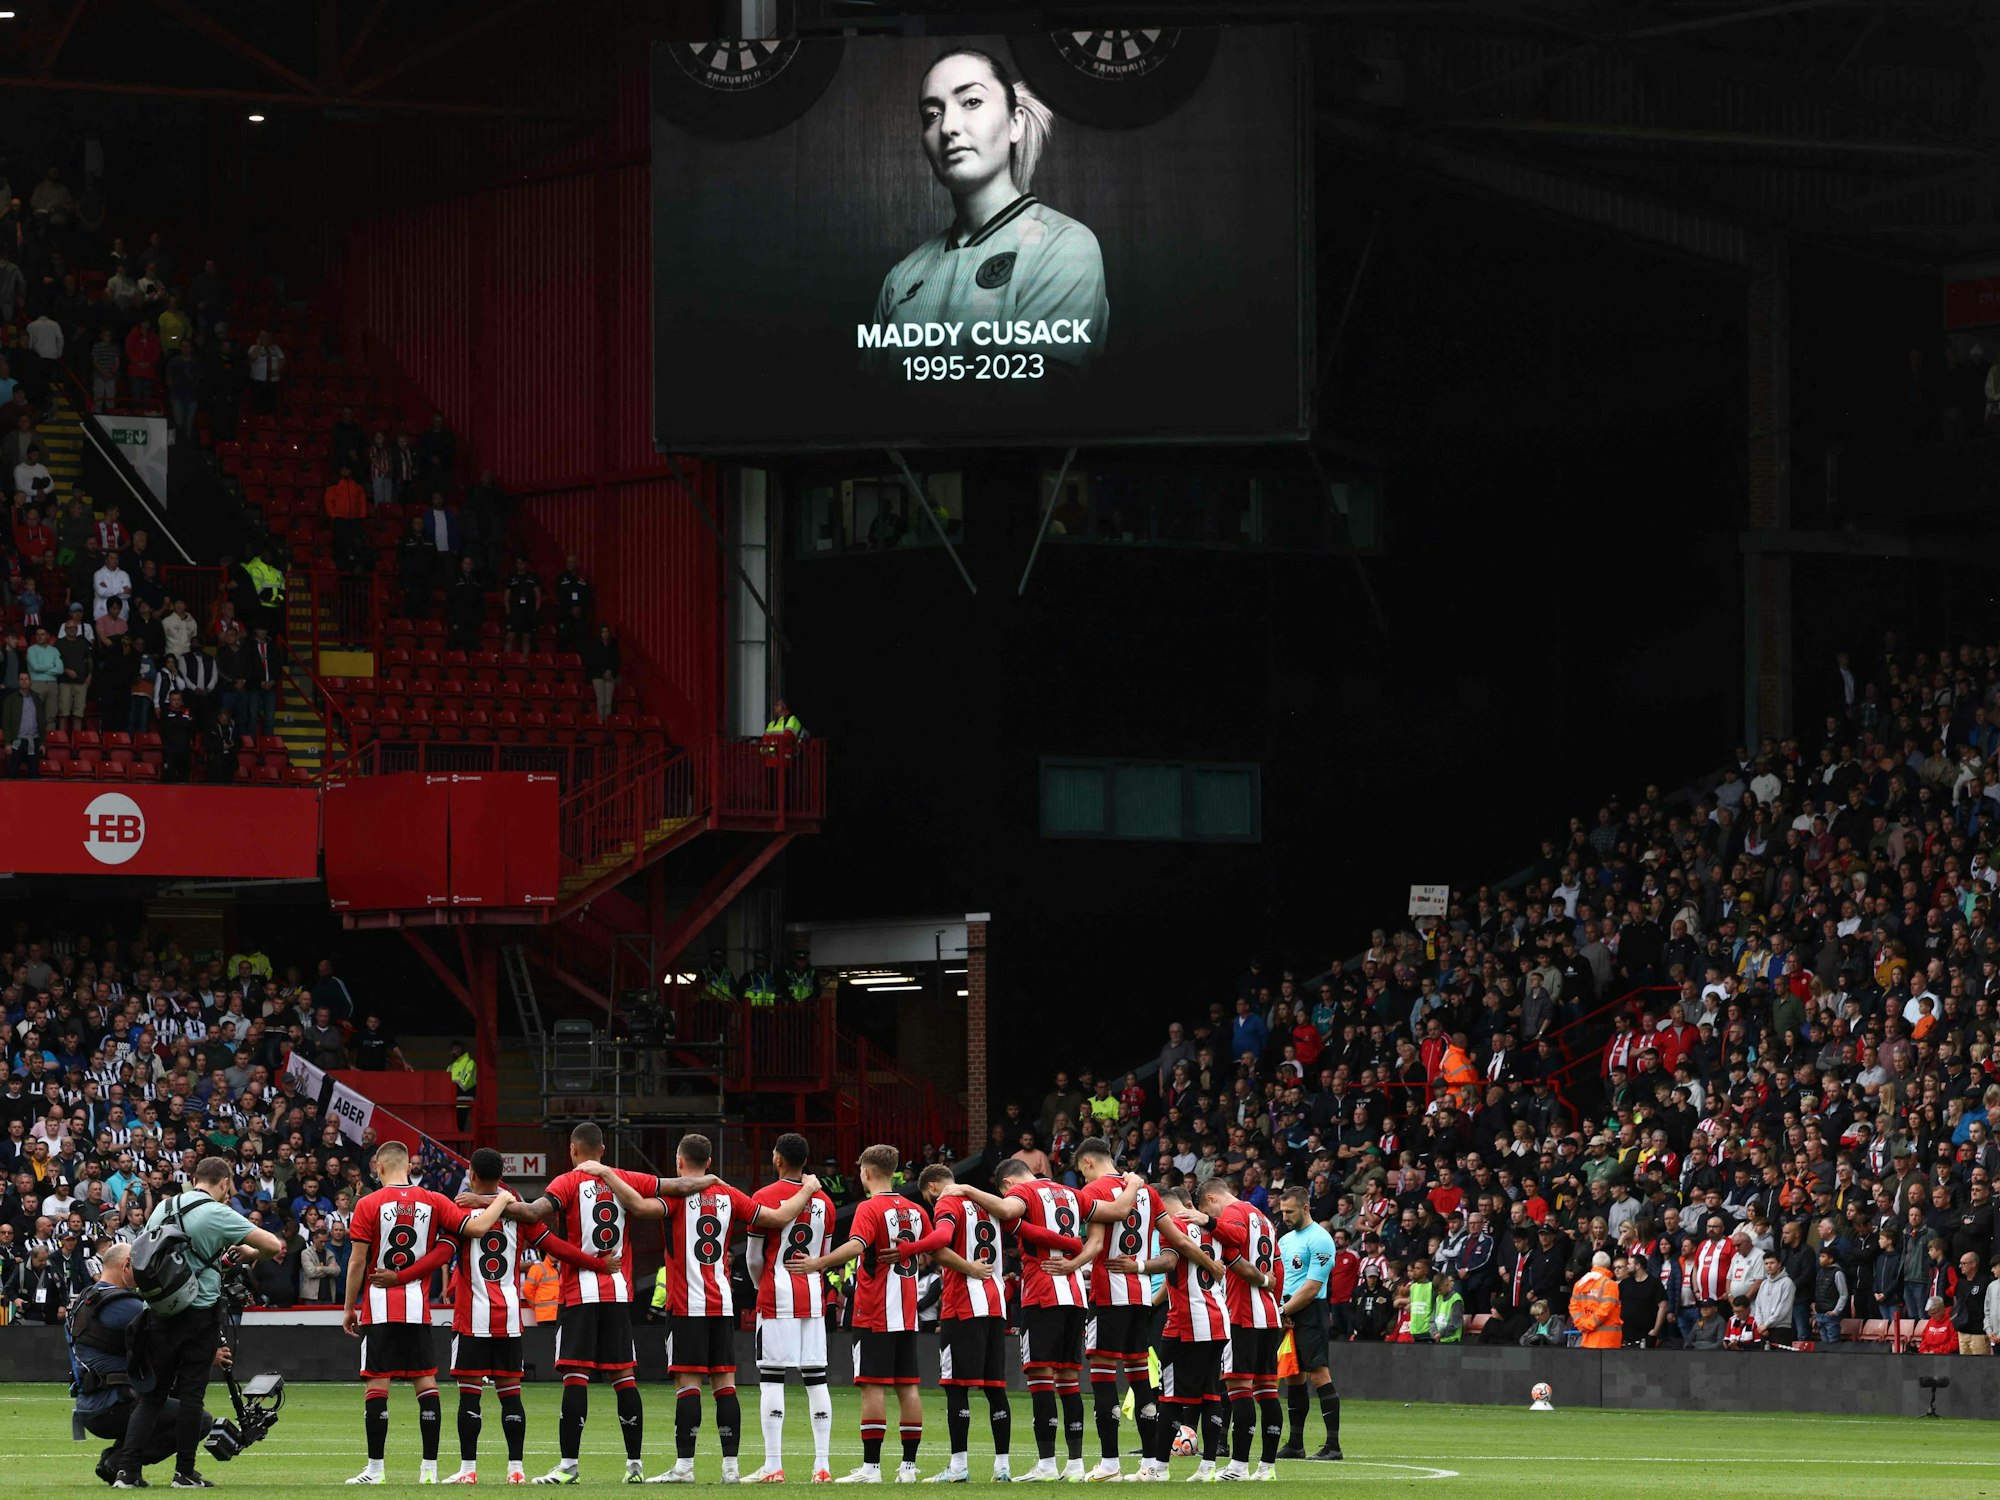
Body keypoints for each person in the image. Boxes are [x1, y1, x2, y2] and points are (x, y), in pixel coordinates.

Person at [573, 1132, 819, 1484]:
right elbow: (779, 1218)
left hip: (687, 1304)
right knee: (725, 1385)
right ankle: (731, 1469)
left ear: (678, 1162)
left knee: (688, 1385)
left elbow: (640, 1207)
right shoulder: (729, 1195)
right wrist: (807, 1190)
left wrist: (607, 1174)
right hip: (722, 1304)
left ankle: (685, 1467)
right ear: (710, 1163)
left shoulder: (675, 1196)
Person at [488, 1121, 716, 1485]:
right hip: (618, 1293)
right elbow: (680, 1186)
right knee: (624, 1377)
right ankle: (635, 1466)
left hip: (579, 1294)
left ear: (574, 1151)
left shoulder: (566, 1182)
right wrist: (712, 1181)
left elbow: (531, 1213)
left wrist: (489, 1201)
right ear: (603, 1151)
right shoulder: (626, 1178)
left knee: (576, 1376)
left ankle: (568, 1466)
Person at [867, 49, 1107, 377]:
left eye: (972, 101)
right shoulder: (901, 278)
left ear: (1015, 123)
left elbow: (1031, 410)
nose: (948, 127)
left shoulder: (1065, 247)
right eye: (932, 114)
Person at [377, 1147, 610, 1485]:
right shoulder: (520, 1213)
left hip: (472, 1318)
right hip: (510, 1317)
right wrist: (599, 1264)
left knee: (470, 1393)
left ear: (471, 1174)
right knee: (511, 1394)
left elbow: (441, 1253)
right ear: (501, 1176)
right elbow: (556, 1247)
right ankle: (516, 1469)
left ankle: (469, 1470)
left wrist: (399, 1276)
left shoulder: (461, 1212)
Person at [340, 1141, 516, 1486]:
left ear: (379, 1168)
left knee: (378, 1384)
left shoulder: (368, 1204)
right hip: (418, 1309)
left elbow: (358, 1260)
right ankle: (429, 1470)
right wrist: (503, 1199)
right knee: (425, 1382)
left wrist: (348, 1307)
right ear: (408, 1166)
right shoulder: (434, 1200)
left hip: (379, 1307)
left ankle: (375, 1471)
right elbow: (475, 1230)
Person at [111, 1156, 285, 1490]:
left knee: (151, 1397)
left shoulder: (164, 1207)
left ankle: (127, 1472)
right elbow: (272, 1245)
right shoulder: (217, 1212)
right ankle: (184, 1474)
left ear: (193, 1178)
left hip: (159, 1312)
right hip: (198, 1314)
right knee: (192, 1396)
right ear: (224, 1183)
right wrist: (247, 1255)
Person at [898, 1160, 1077, 1484]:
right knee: (996, 1388)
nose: (931, 1202)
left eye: (928, 1197)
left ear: (934, 1186)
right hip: (996, 1306)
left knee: (956, 1387)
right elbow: (1032, 1231)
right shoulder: (992, 1206)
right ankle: (1002, 1467)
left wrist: (912, 1249)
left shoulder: (948, 1202)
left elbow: (940, 1239)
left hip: (962, 1305)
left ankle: (958, 1467)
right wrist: (1072, 1245)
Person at [1072, 1137, 1221, 1480]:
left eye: (1082, 1170)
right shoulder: (1149, 1194)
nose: (1083, 1177)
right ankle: (1152, 1462)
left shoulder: (1095, 1191)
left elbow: (1096, 1243)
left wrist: (1071, 1266)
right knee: (1141, 1379)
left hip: (1109, 1293)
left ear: (1089, 1162)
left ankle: (1109, 1462)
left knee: (1103, 1376)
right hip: (1140, 1296)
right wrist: (1210, 1265)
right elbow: (1180, 1241)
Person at [784, 1144, 928, 1485]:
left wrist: (817, 1263)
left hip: (874, 1310)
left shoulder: (869, 1207)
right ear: (893, 1171)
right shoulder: (916, 1210)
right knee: (908, 1388)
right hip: (907, 1312)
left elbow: (856, 1246)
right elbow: (931, 1250)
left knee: (873, 1388)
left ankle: (871, 1469)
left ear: (865, 1172)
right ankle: (908, 1469)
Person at [68, 1241, 231, 1485]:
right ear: (127, 1264)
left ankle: (120, 1463)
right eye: (142, 1265)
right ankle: (119, 1463)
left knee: (161, 1396)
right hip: (114, 1402)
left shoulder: (87, 1299)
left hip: (91, 1403)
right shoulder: (125, 1306)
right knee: (198, 1419)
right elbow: (171, 1340)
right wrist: (207, 1354)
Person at [742, 1133, 837, 1484]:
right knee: (816, 1378)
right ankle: (822, 1466)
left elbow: (754, 1256)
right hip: (812, 1296)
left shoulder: (763, 1198)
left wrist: (761, 1285)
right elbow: (822, 1258)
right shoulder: (824, 1202)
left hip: (776, 1295)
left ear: (778, 1159)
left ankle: (773, 1465)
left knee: (771, 1378)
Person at [1193, 1174, 1286, 1482]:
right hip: (1269, 1314)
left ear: (1211, 1199)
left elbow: (1230, 1236)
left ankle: (1238, 1466)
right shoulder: (1264, 1219)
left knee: (1238, 1389)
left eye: (1209, 1212)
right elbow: (1278, 1267)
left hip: (1242, 1313)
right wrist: (1275, 1300)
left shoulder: (1232, 1213)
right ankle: (1267, 1467)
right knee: (1267, 1391)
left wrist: (1206, 1221)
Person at [1273, 1185, 1343, 1461]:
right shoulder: (1286, 1240)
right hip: (1287, 1311)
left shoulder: (1321, 1239)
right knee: (1293, 1375)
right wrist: (1281, 1308)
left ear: (1305, 1207)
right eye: (1282, 1212)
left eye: (1290, 1211)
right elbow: (1282, 1277)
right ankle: (1295, 1444)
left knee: (1318, 1372)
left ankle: (1333, 1445)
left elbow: (1313, 1286)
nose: (1286, 1216)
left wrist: (1283, 1310)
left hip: (1310, 1311)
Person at [1568, 1250, 1622, 1349]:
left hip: (1587, 1339)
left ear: (1593, 1264)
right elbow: (1605, 1310)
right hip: (1608, 1342)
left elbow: (1573, 1307)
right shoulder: (1610, 1284)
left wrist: (1582, 1324)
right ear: (1608, 1267)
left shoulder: (1579, 1284)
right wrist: (1589, 1324)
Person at [4, 669, 42, 776]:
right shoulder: (10, 700)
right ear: (18, 682)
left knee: (34, 774)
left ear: (30, 681)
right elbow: (6, 722)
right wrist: (7, 743)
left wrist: (42, 742)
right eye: (21, 679)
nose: (24, 681)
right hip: (17, 742)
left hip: (33, 741)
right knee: (12, 773)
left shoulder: (37, 698)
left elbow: (42, 721)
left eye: (26, 679)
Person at [501, 557, 540, 657]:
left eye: (522, 563)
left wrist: (534, 612)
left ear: (526, 564)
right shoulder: (511, 578)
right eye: (518, 563)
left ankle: (525, 663)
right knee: (510, 637)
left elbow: (538, 597)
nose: (520, 565)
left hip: (528, 613)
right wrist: (509, 612)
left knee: (526, 638)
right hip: (515, 613)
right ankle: (507, 662)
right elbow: (506, 598)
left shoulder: (532, 577)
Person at [584, 625, 619, 723]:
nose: (605, 634)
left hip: (610, 675)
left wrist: (610, 671)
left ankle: (607, 723)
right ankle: (600, 723)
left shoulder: (613, 645)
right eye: (603, 632)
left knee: (608, 703)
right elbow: (593, 661)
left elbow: (616, 660)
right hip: (597, 675)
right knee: (601, 702)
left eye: (607, 631)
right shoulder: (595, 645)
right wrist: (603, 671)